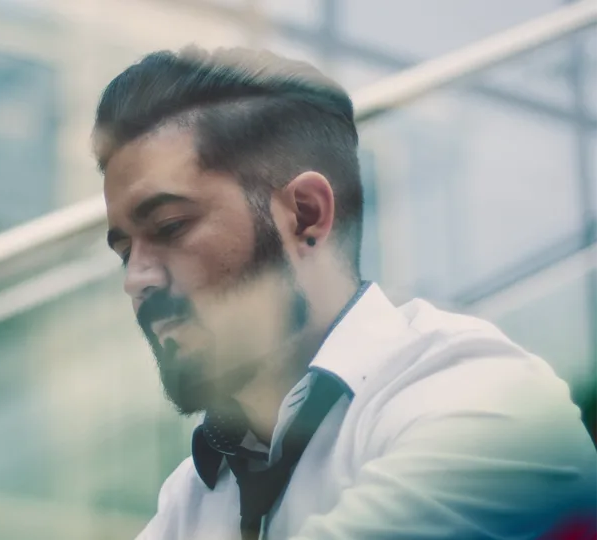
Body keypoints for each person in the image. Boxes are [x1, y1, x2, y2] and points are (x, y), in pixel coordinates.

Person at [93, 46, 597, 540]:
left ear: (306, 215)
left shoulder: (486, 400)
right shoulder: (192, 496)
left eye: (171, 226)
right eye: (124, 252)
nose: (136, 279)